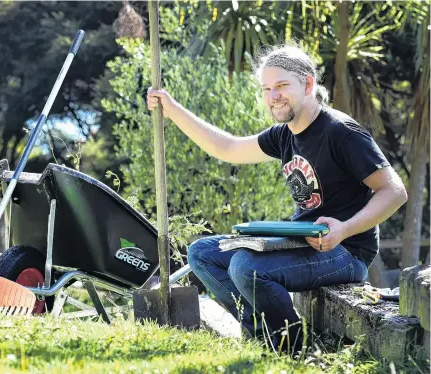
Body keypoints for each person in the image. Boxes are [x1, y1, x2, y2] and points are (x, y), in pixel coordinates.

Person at [146, 45, 407, 351]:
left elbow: (394, 192)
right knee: (203, 252)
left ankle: (293, 349)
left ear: (308, 84)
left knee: (246, 267)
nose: (273, 97)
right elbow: (228, 149)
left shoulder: (341, 132)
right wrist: (172, 108)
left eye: (282, 86)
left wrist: (344, 229)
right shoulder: (283, 134)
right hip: (302, 244)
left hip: (346, 252)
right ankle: (263, 336)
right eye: (266, 89)